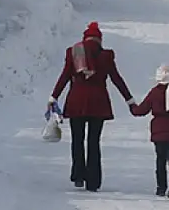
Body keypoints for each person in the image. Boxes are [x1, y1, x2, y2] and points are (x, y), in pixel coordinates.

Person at [49, 21, 135, 192]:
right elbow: (116, 79)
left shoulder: (74, 52)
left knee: (77, 140)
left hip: (76, 102)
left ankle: (79, 175)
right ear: (99, 40)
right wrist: (129, 100)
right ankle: (93, 182)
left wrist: (54, 96)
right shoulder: (106, 56)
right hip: (98, 103)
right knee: (94, 142)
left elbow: (65, 76)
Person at [130, 64, 169, 199]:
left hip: (159, 131)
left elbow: (141, 110)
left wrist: (132, 106)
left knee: (160, 160)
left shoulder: (155, 92)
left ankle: (161, 187)